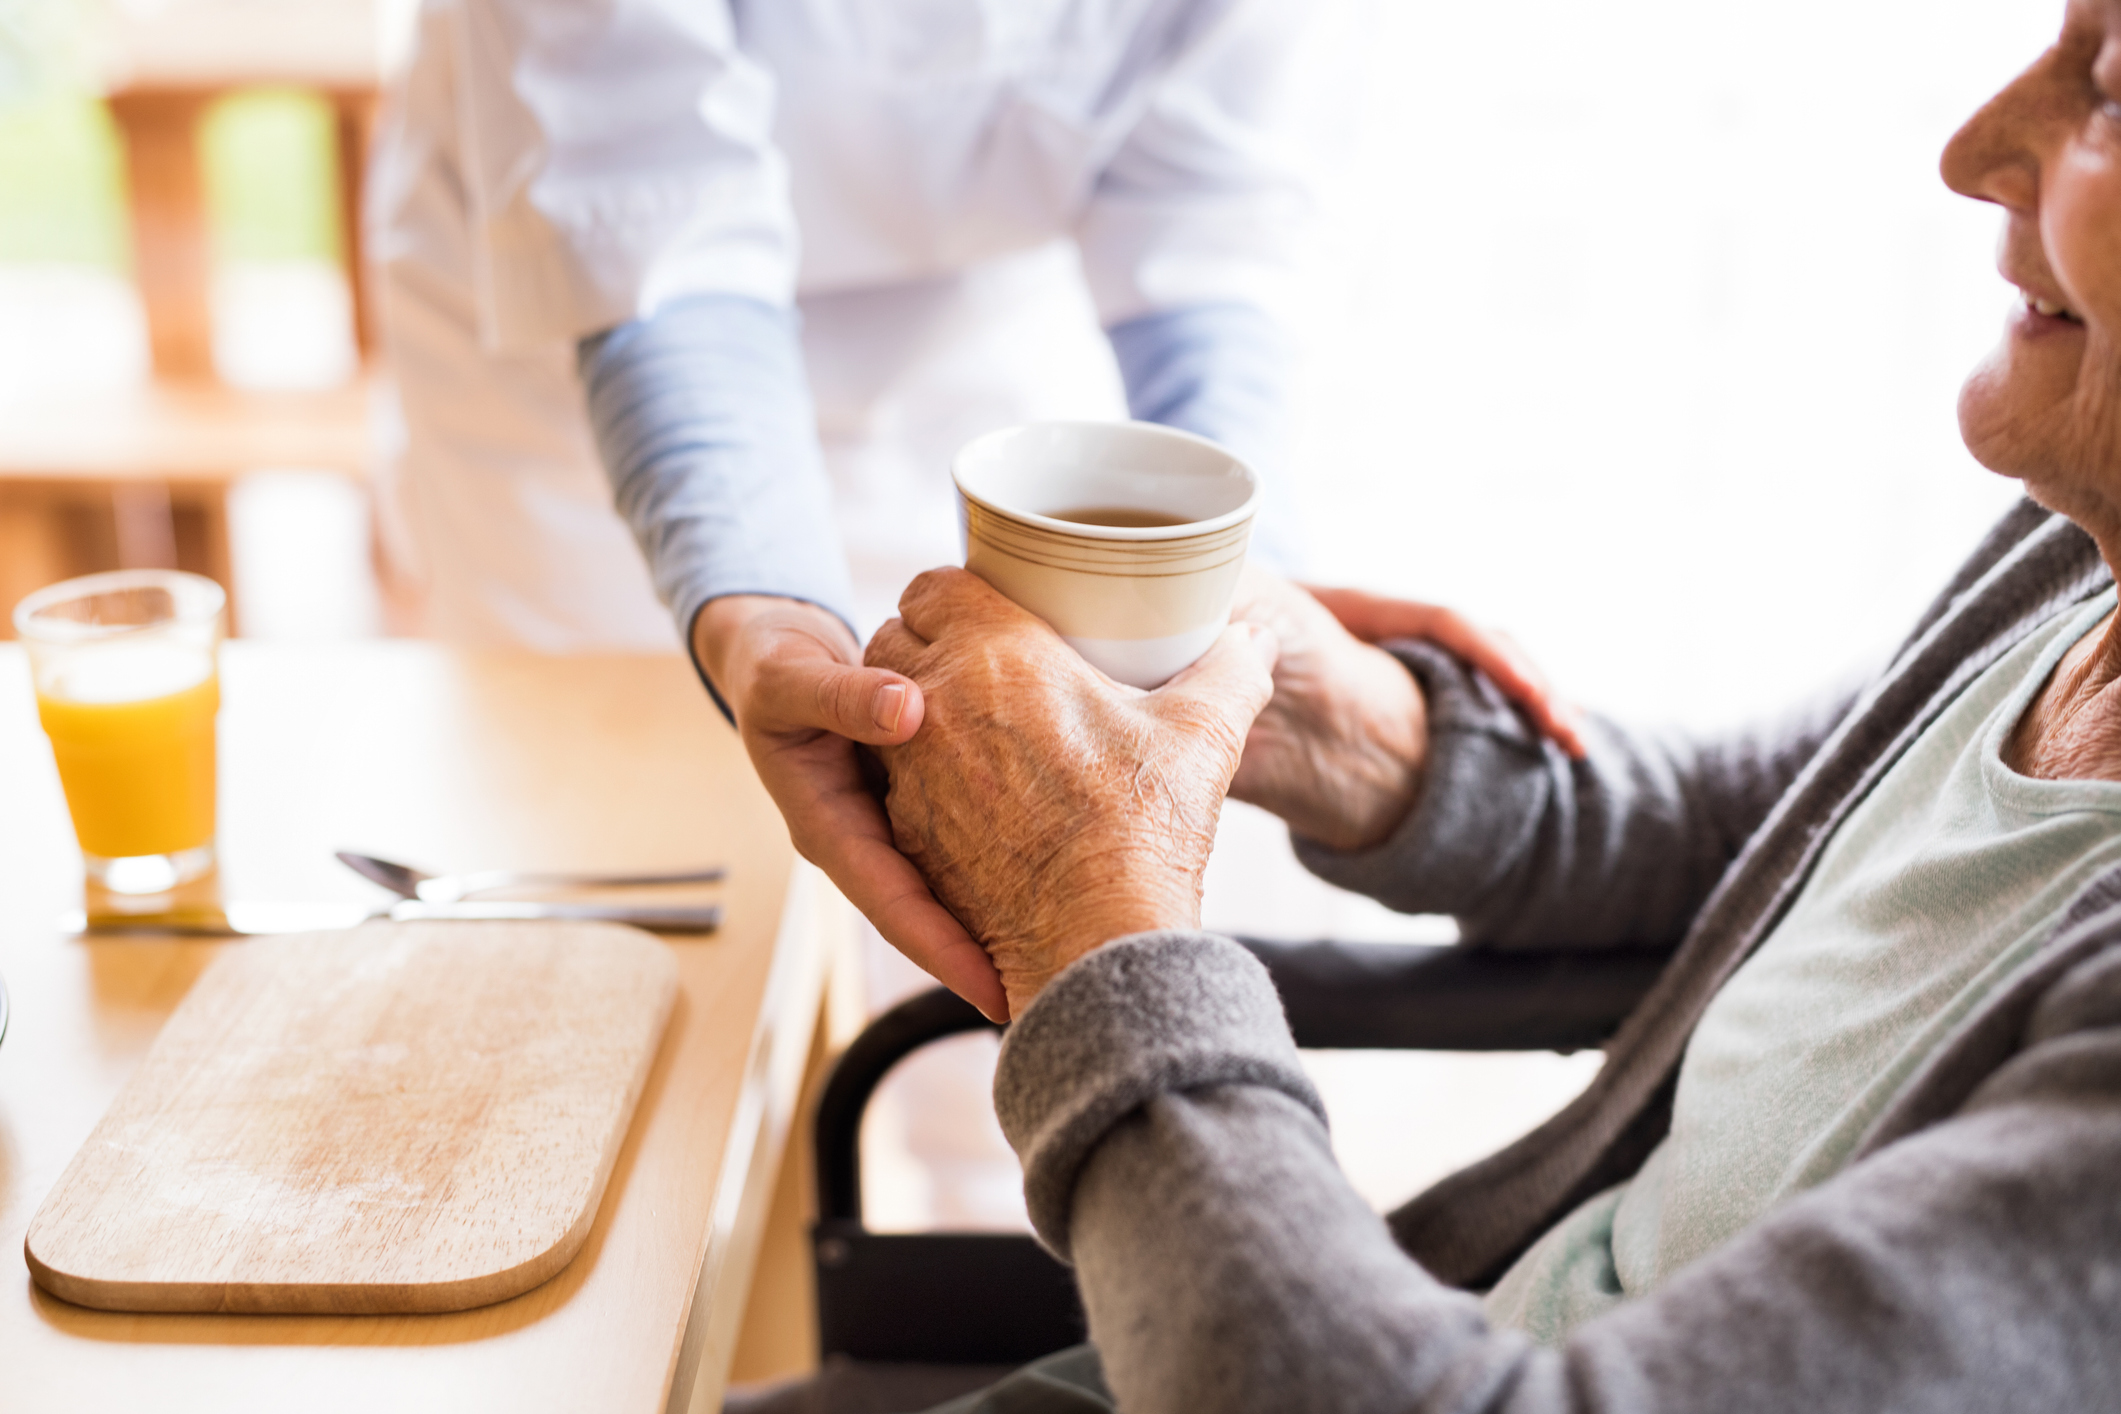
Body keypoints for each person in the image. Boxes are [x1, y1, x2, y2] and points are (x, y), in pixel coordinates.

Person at [849, 1, 2121, 1406]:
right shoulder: (2078, 553)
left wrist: (1088, 908)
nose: (1972, 148)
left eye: (2110, 85)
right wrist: (1351, 725)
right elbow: (1738, 845)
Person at [365, 0, 1580, 1029]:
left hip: (982, 300)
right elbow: (646, 201)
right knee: (636, 896)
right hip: (587, 305)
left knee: (1006, 907)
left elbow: (1214, 204)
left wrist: (1230, 570)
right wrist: (754, 610)